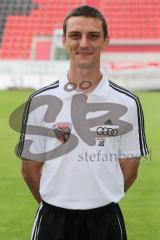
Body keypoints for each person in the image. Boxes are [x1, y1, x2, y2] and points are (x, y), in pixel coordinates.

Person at [17, 5, 149, 240]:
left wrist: (99, 197)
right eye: (76, 35)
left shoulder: (127, 103)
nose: (84, 43)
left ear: (106, 41)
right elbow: (29, 169)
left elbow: (130, 167)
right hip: (52, 220)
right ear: (64, 40)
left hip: (105, 220)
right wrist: (58, 201)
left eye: (93, 36)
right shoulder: (40, 101)